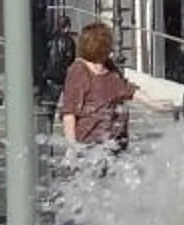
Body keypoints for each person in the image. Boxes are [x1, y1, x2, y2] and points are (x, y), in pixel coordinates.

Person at [56, 22, 136, 157]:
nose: (112, 47)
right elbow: (69, 112)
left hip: (116, 146)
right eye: (108, 42)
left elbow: (126, 91)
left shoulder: (110, 68)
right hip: (89, 146)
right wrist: (71, 148)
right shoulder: (79, 70)